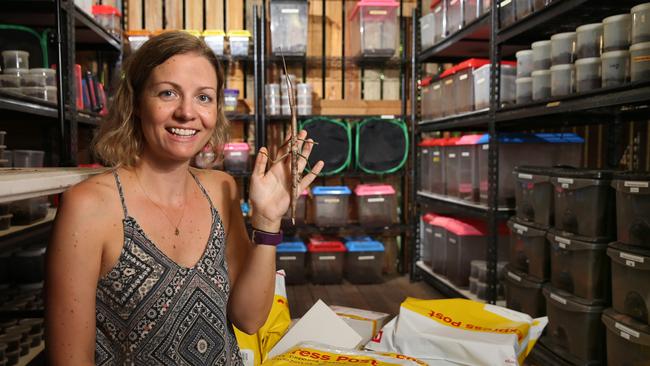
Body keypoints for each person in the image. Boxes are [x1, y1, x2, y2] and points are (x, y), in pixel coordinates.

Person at [44, 30, 323, 365]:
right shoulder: (89, 206)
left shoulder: (222, 189)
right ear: (135, 103)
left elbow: (249, 318)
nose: (187, 113)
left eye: (203, 97)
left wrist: (267, 222)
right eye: (167, 93)